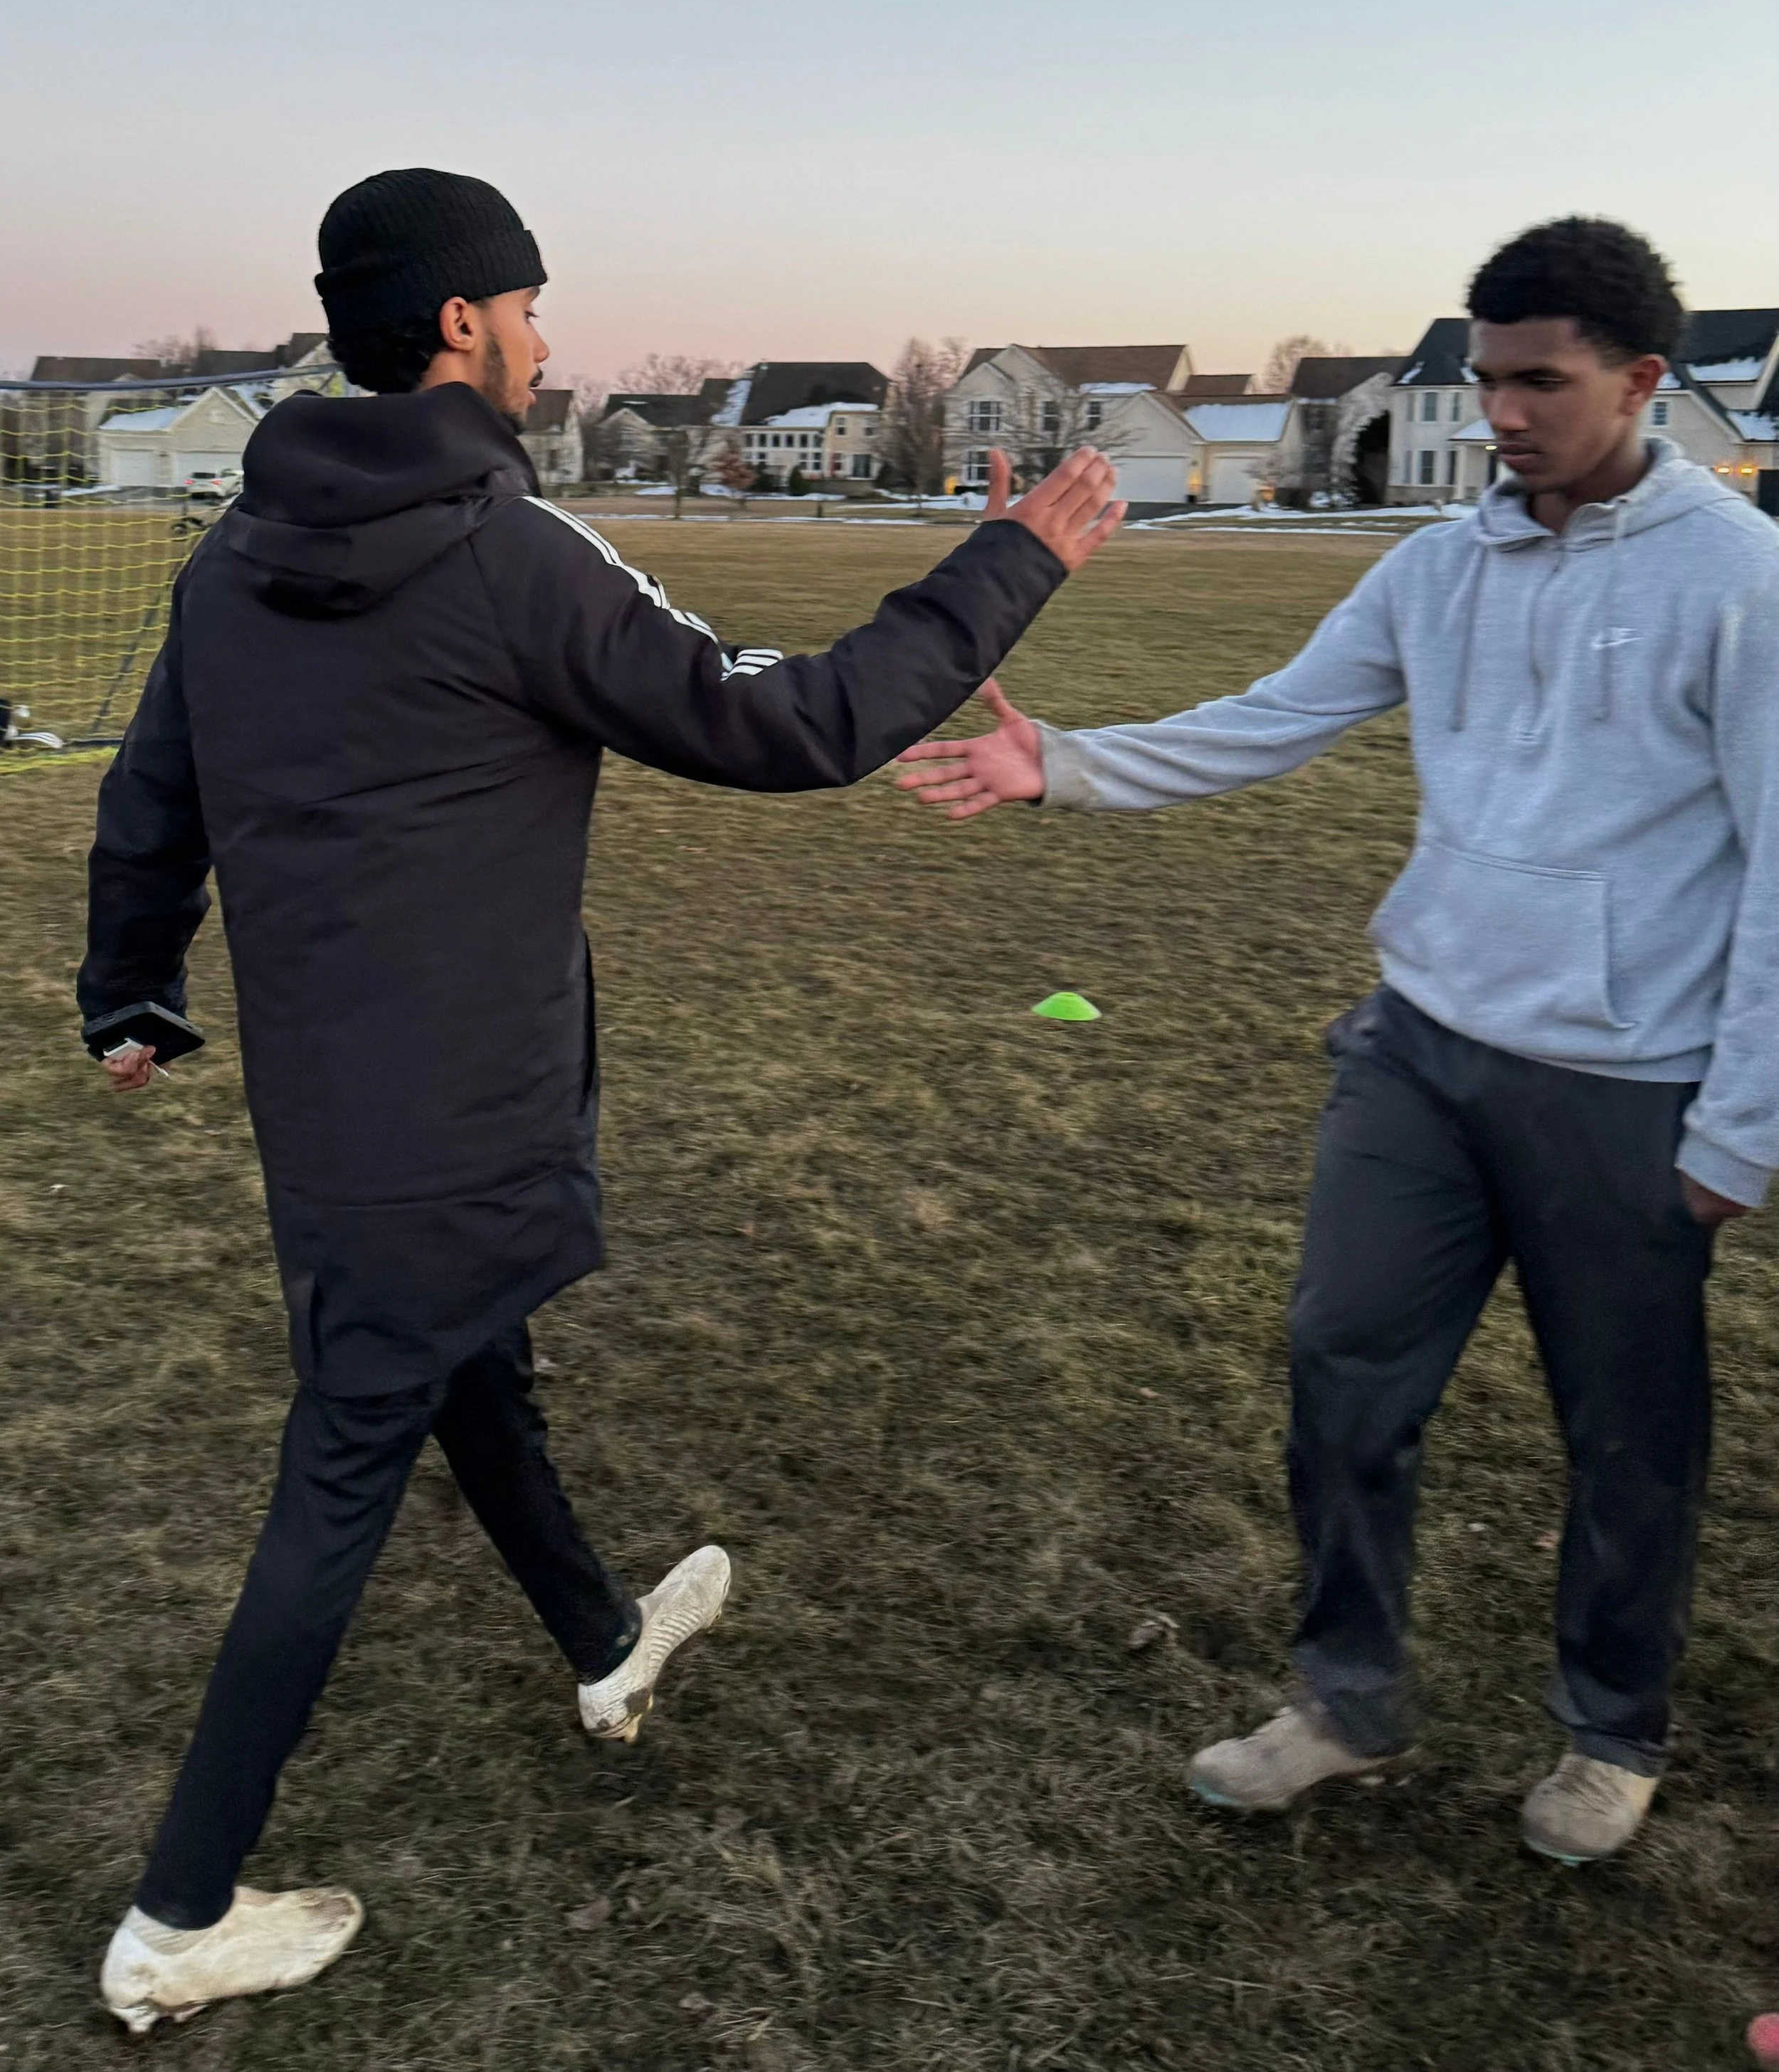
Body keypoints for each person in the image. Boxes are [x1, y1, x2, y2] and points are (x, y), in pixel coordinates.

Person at [82, 166, 1124, 2034]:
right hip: (453, 1121)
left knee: (465, 1372)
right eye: (528, 309)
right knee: (347, 1463)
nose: (545, 341)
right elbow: (783, 722)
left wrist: (132, 983)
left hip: (338, 1122)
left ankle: (605, 1640)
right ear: (459, 322)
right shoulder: (506, 546)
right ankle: (178, 1912)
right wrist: (1011, 562)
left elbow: (156, 788)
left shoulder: (234, 553)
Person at [897, 216, 1779, 1868]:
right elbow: (1276, 715)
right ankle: (1346, 1699)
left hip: (1626, 1085)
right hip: (1416, 1055)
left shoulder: (1738, 583)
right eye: (1488, 377)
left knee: (1624, 1433)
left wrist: (1741, 1125)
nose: (1500, 413)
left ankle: (1609, 1730)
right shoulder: (1438, 567)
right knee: (1342, 1378)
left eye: (1540, 382)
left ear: (1640, 381)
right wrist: (1063, 766)